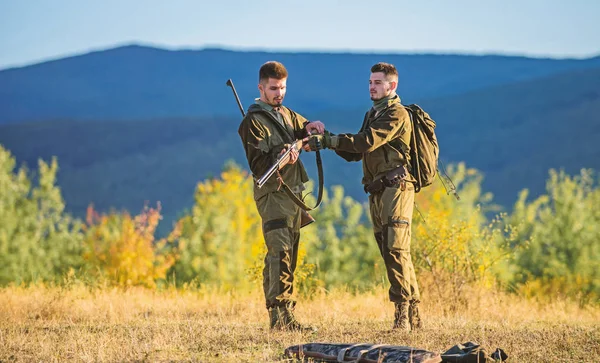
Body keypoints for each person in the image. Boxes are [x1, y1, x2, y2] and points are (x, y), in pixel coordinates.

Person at [304, 62, 422, 331]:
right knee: (389, 249)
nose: (372, 86)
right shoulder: (374, 113)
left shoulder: (396, 114)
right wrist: (328, 139)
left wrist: (328, 142)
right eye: (370, 82)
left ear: (392, 86)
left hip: (397, 188)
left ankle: (403, 315)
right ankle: (413, 314)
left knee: (396, 248)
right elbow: (355, 152)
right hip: (378, 189)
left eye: (378, 83)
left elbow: (366, 141)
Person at [238, 61, 324, 332]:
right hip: (273, 195)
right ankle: (281, 317)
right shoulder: (253, 122)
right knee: (280, 253)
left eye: (283, 88)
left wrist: (311, 127)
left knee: (289, 254)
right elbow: (260, 166)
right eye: (274, 88)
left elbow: (301, 127)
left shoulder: (285, 113)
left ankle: (281, 314)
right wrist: (284, 157)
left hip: (293, 195)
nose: (279, 93)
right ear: (261, 87)